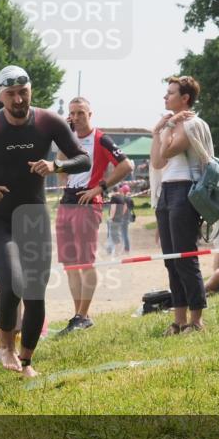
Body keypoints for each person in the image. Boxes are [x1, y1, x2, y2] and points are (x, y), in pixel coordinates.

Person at [0, 65, 90, 377]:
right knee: (11, 287)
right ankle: (5, 345)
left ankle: (26, 361)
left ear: (30, 91)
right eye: (11, 94)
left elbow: (84, 159)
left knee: (35, 294)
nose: (18, 99)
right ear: (1, 96)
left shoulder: (48, 121)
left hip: (34, 216)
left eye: (23, 92)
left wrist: (56, 165)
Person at [55, 97, 133, 333]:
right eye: (72, 113)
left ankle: (83, 315)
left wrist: (100, 187)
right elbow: (59, 172)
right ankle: (78, 315)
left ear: (90, 114)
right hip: (66, 203)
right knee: (69, 264)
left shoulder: (101, 139)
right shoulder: (68, 140)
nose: (76, 117)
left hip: (87, 204)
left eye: (80, 113)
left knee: (86, 261)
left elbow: (126, 165)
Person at [149, 75, 213, 334]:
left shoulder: (191, 124)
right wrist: (158, 130)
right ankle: (178, 320)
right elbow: (156, 163)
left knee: (186, 258)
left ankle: (196, 320)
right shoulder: (170, 125)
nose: (166, 97)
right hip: (166, 192)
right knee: (171, 259)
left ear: (185, 98)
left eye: (171, 93)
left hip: (185, 191)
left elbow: (166, 153)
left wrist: (168, 129)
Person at [106, 184, 135, 256]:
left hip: (121, 219)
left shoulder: (121, 198)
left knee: (117, 235)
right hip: (125, 218)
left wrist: (115, 216)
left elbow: (114, 208)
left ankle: (118, 250)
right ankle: (124, 249)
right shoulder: (128, 198)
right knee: (123, 235)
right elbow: (129, 208)